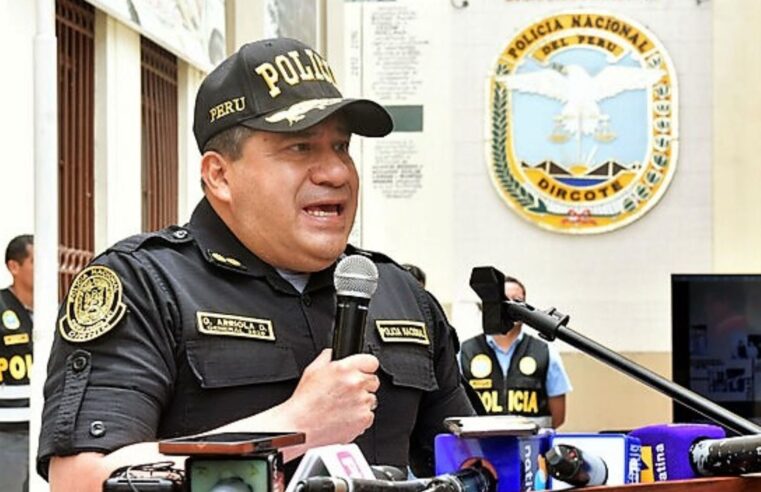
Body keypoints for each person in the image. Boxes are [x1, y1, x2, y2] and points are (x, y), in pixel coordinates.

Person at [37, 38, 474, 491]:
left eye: (341, 146)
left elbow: (477, 465)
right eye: (300, 148)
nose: (337, 172)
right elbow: (79, 481)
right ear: (220, 175)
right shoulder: (144, 285)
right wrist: (294, 426)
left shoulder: (399, 293)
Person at [459, 276, 571, 428]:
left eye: (518, 301)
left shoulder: (545, 351)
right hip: (480, 442)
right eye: (506, 300)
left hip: (531, 442)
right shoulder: (465, 351)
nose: (513, 307)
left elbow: (557, 417)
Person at [0, 234, 34, 492]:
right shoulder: (1, 307)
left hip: (42, 428)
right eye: (36, 262)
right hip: (6, 432)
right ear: (14, 266)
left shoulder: (55, 310)